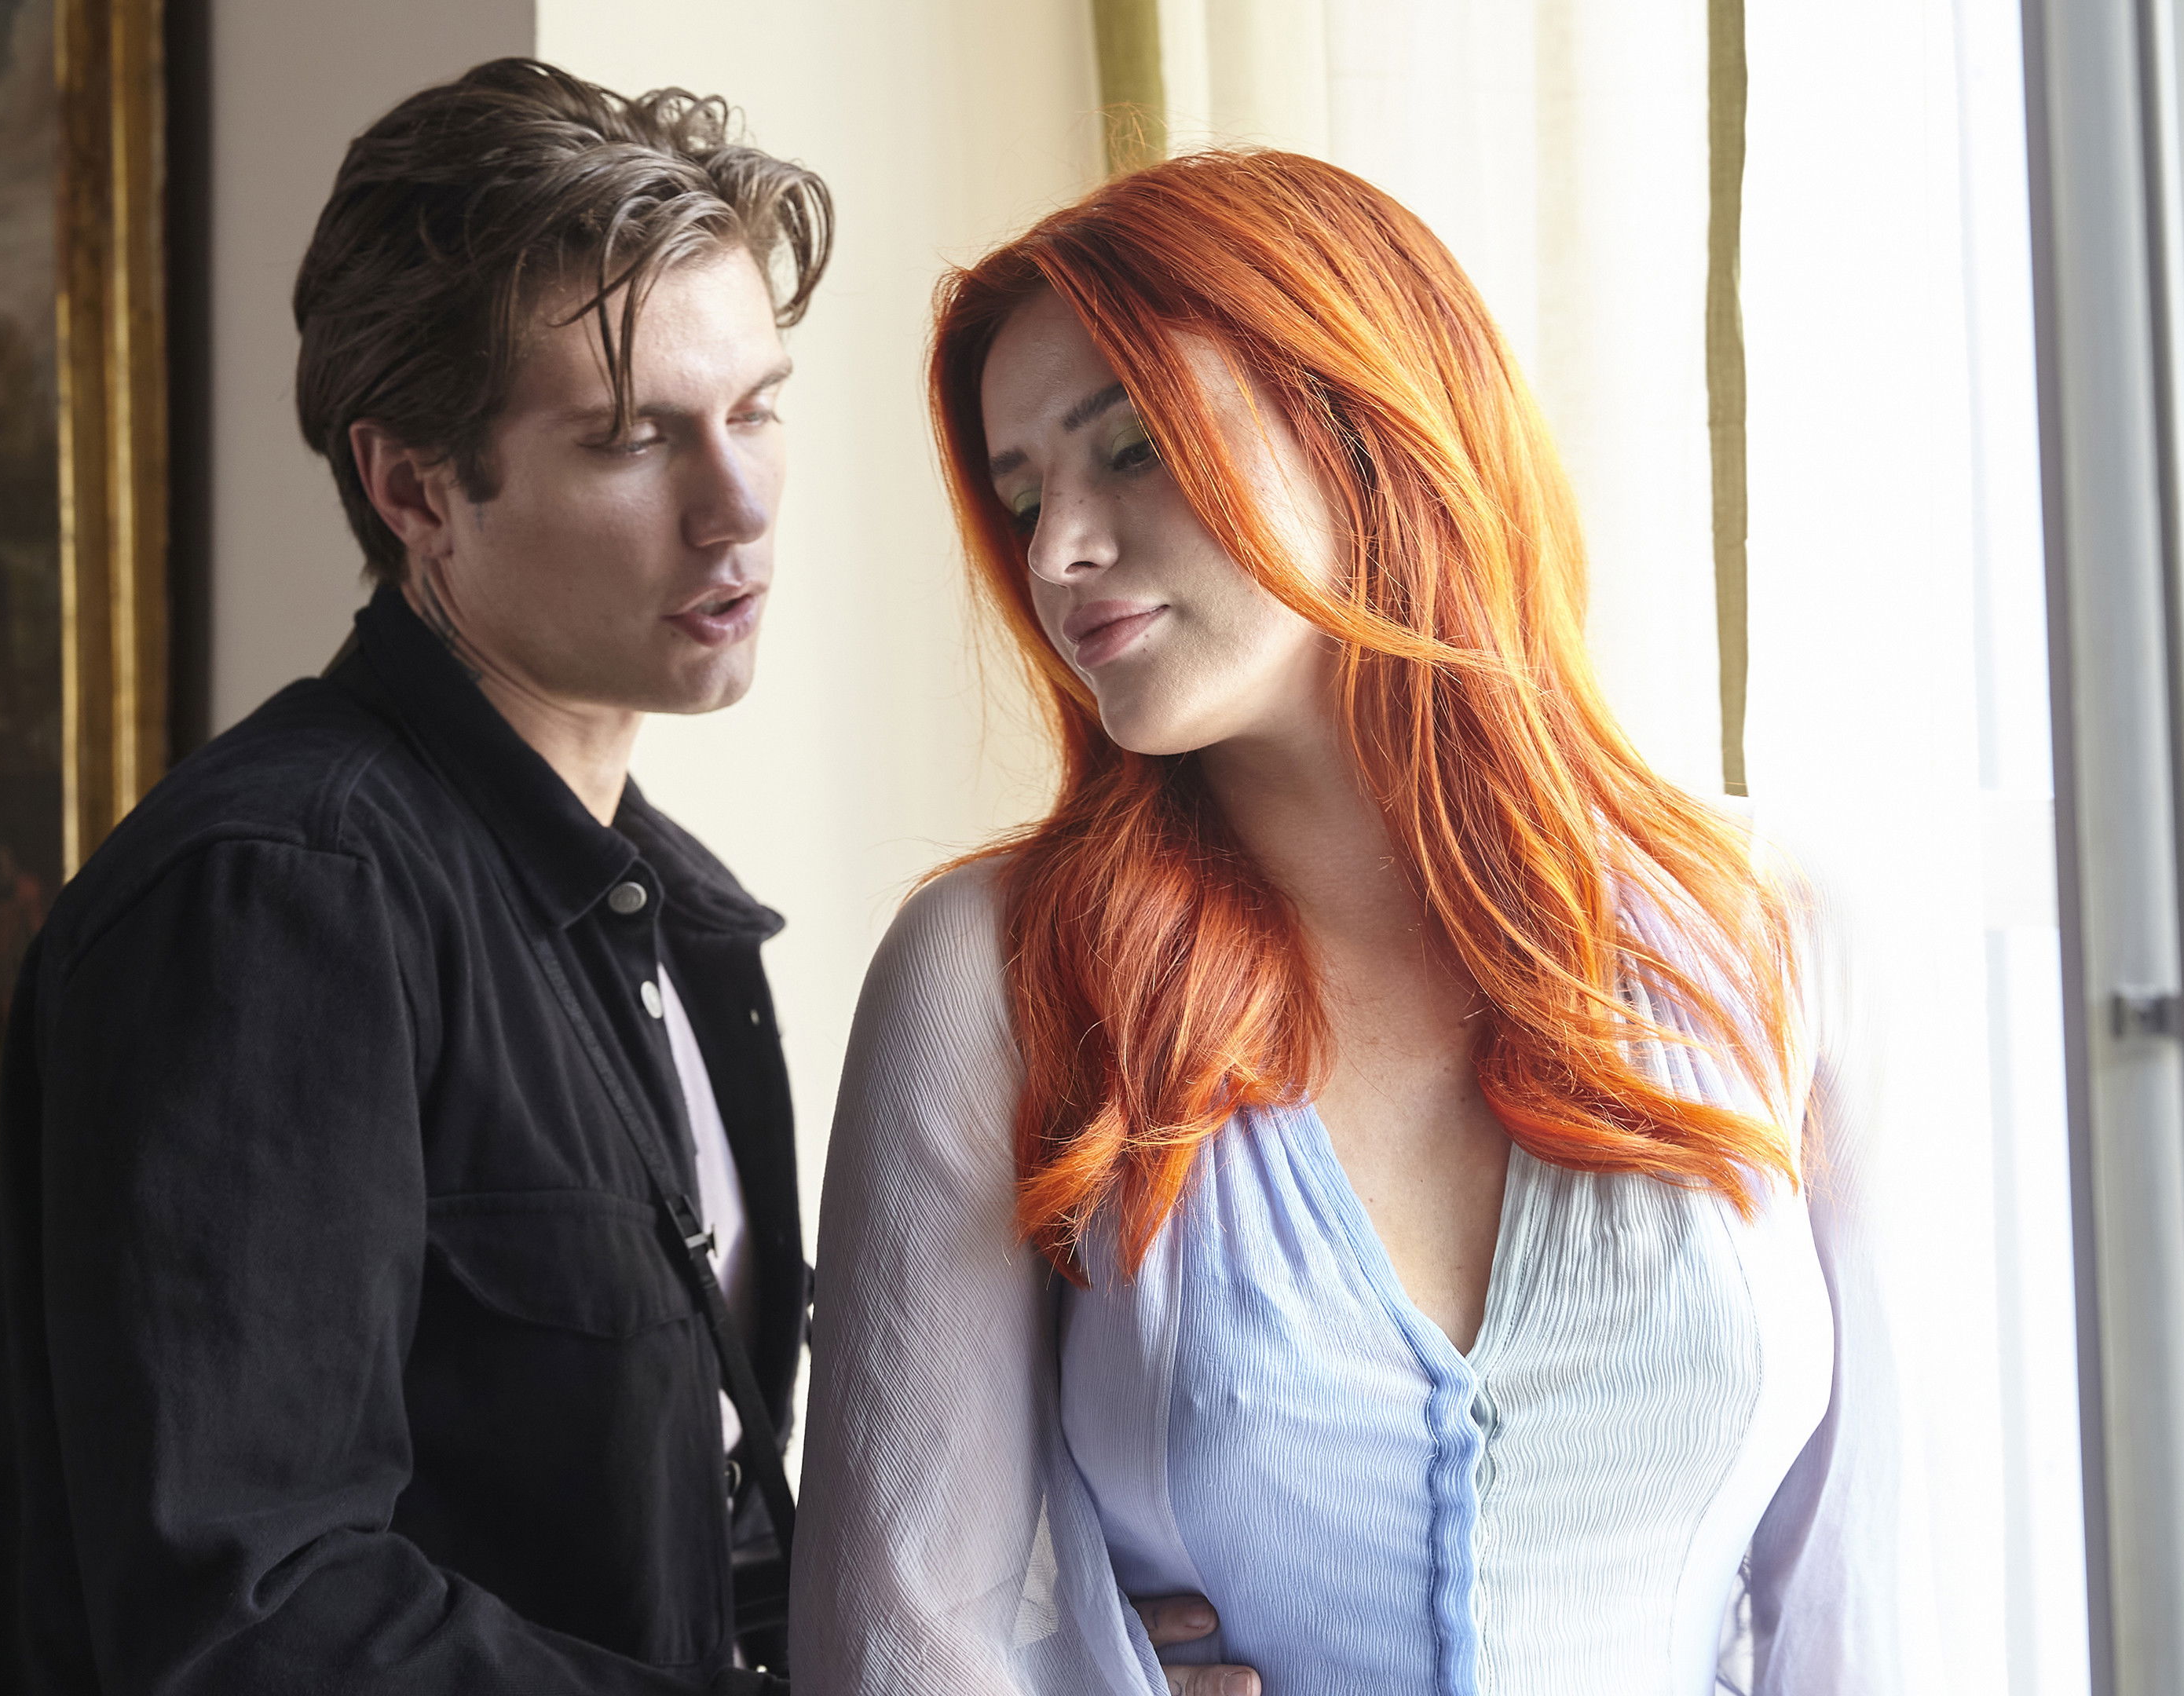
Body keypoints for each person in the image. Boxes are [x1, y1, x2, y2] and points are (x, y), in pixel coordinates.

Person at [793, 151, 1890, 1694]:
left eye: (1132, 450)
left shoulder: (1776, 932)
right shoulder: (991, 974)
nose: (1055, 554)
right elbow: (901, 1642)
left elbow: (1864, 1601)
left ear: (1369, 429)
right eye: (1025, 493)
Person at [0, 60, 823, 1693]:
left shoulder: (666, 916)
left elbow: (698, 1547)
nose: (739, 506)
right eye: (633, 439)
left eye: (757, 408)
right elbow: (253, 1620)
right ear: (415, 488)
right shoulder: (276, 899)